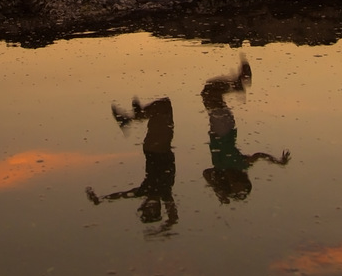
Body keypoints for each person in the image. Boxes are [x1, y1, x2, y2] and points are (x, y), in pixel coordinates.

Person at [85, 96, 178, 234]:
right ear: (159, 208)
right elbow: (173, 218)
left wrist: (102, 198)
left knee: (163, 106)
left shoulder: (145, 191)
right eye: (153, 210)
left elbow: (121, 195)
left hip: (156, 149)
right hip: (160, 148)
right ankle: (131, 118)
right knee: (163, 106)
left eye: (147, 209)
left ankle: (131, 118)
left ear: (144, 205)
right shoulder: (165, 194)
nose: (150, 206)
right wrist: (160, 231)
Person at [200, 60, 289, 204]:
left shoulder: (219, 170)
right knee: (209, 92)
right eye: (240, 185)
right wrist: (276, 161)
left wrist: (219, 190)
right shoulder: (241, 165)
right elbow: (259, 155)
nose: (235, 183)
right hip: (224, 129)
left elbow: (205, 173)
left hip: (220, 128)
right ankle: (237, 84)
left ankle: (237, 83)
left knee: (210, 91)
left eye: (234, 187)